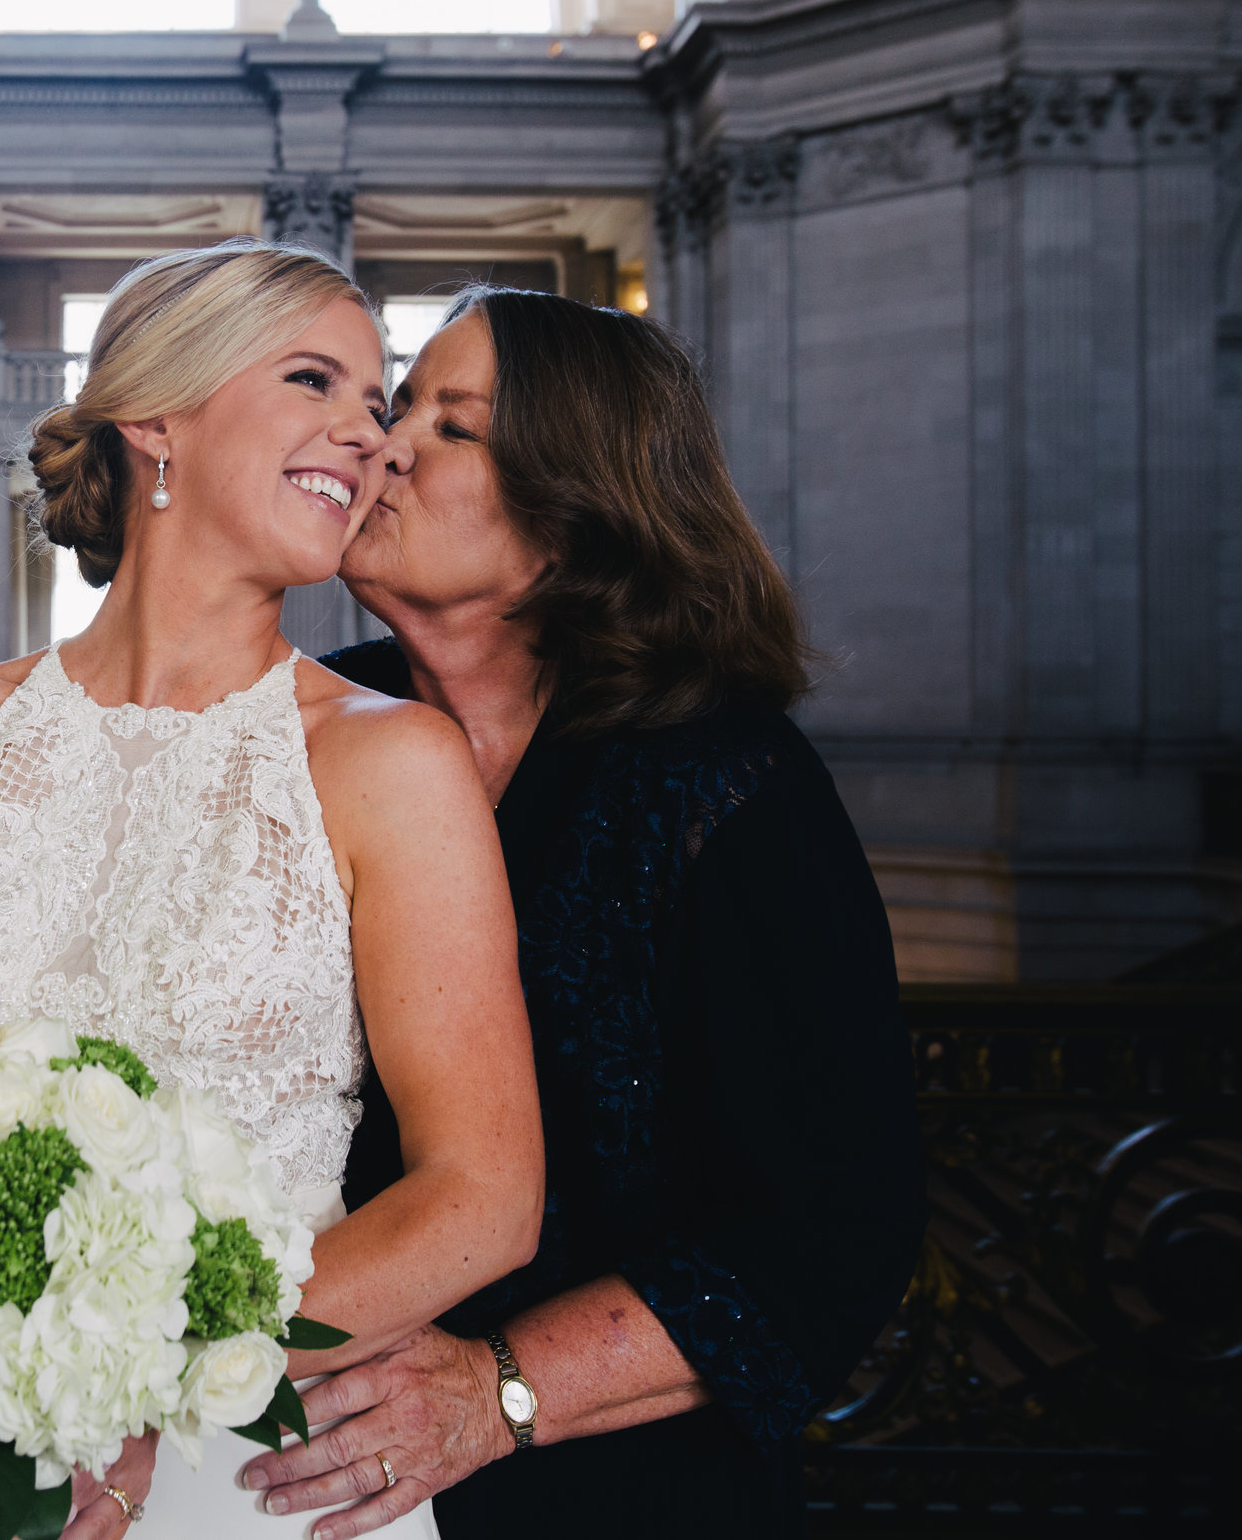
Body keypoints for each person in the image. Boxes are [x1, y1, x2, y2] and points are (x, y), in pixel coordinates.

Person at [0, 240, 548, 1539]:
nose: (366, 434)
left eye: (378, 401)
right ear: (155, 417)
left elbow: (484, 1194)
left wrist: (141, 1385)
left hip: (255, 1476)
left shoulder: (390, 759)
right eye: (317, 378)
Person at [241, 288, 926, 1538]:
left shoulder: (725, 783)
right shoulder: (301, 724)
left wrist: (499, 1388)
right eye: (398, 408)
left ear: (573, 516)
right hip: (285, 1461)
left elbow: (837, 1220)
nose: (382, 446)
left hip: (618, 1491)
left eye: (452, 426)